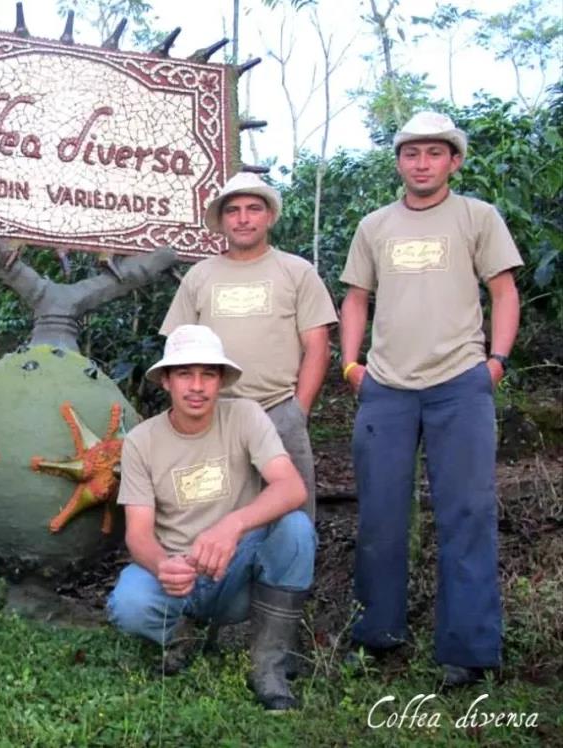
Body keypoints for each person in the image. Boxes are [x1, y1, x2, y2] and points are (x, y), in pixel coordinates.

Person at [339, 111, 522, 687]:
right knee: (381, 515)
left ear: (454, 161)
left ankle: (467, 650)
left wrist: (495, 362)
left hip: (460, 384)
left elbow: (503, 290)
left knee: (466, 513)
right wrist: (351, 365)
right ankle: (378, 633)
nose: (422, 163)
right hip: (386, 389)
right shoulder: (374, 225)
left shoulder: (476, 217)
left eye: (434, 153)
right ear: (398, 161)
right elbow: (355, 297)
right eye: (411, 153)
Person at [106, 324, 316, 711]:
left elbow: (291, 488)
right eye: (185, 373)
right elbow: (138, 534)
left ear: (221, 380)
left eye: (208, 374)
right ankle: (184, 635)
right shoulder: (142, 441)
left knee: (296, 528)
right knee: (128, 604)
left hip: (234, 570)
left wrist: (232, 525)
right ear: (166, 381)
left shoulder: (245, 416)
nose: (197, 386)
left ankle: (269, 665)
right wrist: (162, 565)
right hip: (178, 574)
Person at [161, 172, 336, 520]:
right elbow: (176, 348)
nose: (243, 218)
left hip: (278, 409)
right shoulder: (199, 276)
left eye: (253, 209)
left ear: (269, 216)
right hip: (213, 413)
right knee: (212, 515)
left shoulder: (296, 272)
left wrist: (297, 410)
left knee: (292, 518)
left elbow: (318, 347)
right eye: (234, 210)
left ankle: (286, 576)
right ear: (222, 220)